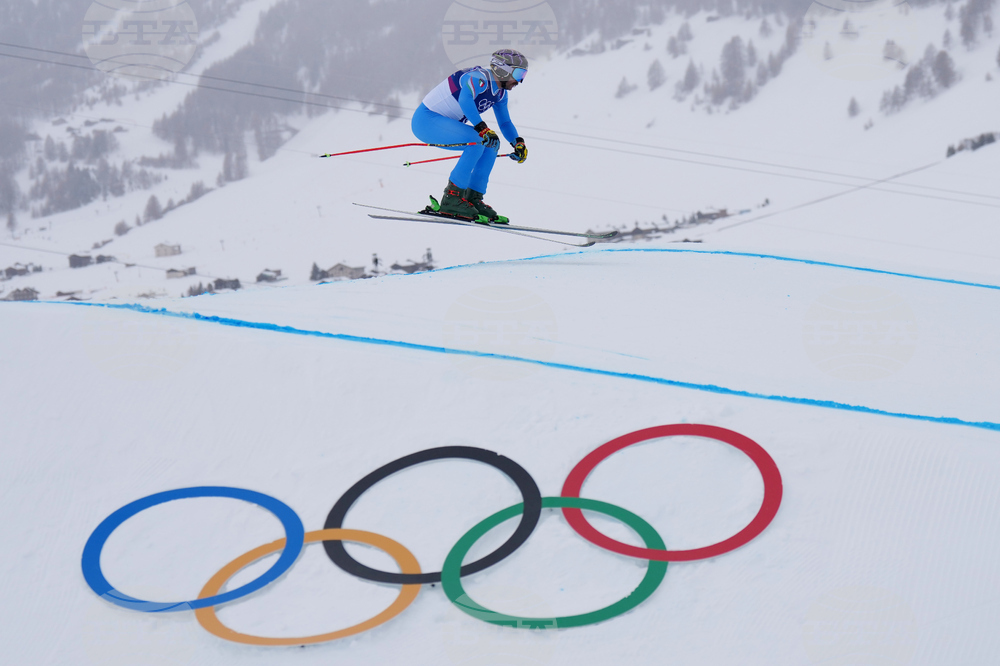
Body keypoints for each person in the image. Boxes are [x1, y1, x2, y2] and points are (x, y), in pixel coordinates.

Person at [411, 49, 529, 223]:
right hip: (426, 121)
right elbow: (465, 100)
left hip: (444, 124)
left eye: (524, 75)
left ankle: (472, 197)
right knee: (478, 140)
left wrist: (517, 143)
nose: (520, 81)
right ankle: (452, 198)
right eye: (519, 73)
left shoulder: (500, 94)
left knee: (491, 143)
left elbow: (505, 123)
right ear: (503, 70)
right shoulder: (478, 78)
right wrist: (481, 128)